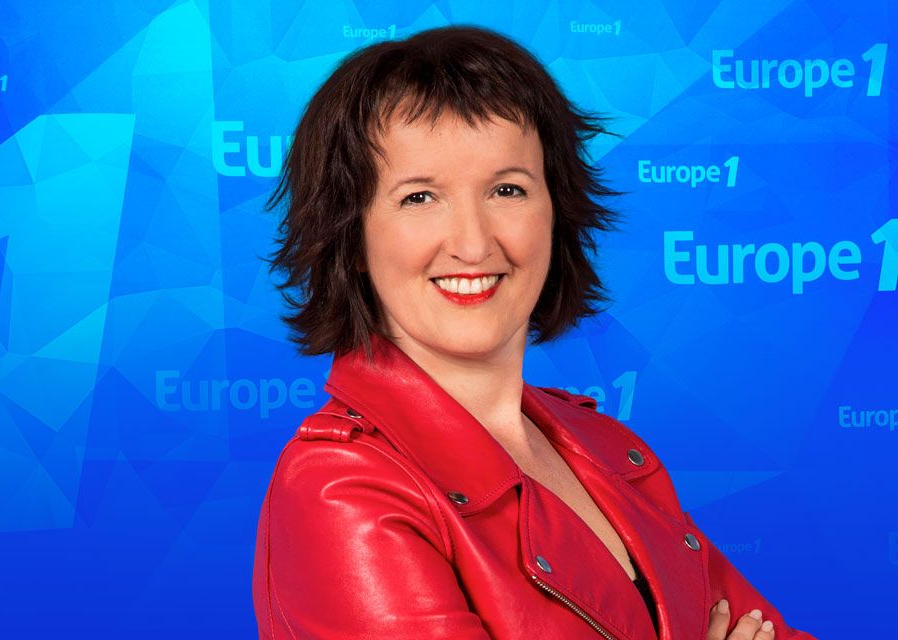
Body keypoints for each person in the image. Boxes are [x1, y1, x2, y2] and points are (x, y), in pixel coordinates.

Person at [253, 24, 816, 640]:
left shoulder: (608, 450)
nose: (473, 243)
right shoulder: (339, 487)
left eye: (507, 189)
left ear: (555, 211)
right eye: (419, 198)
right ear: (351, 234)